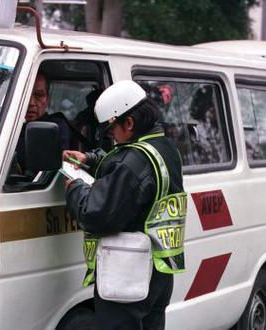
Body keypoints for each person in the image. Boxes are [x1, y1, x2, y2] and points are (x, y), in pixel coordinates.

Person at [63, 80, 186, 329]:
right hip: (159, 270)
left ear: (129, 123)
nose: (111, 137)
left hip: (128, 272)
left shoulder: (135, 162)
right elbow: (128, 172)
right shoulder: (164, 148)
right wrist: (90, 159)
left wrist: (75, 188)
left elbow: (95, 214)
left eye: (111, 130)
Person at [15, 73, 70, 174]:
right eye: (25, 95)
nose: (31, 103)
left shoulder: (56, 127)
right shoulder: (7, 127)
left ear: (47, 99)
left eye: (39, 95)